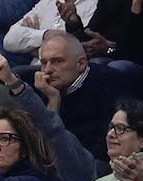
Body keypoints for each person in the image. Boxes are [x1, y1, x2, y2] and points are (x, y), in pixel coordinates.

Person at [32, 32, 129, 164]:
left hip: (97, 163)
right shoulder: (47, 89)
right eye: (44, 63)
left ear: (81, 63)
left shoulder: (108, 83)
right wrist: (53, 101)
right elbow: (43, 147)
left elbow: (109, 143)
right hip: (61, 164)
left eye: (57, 61)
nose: (47, 70)